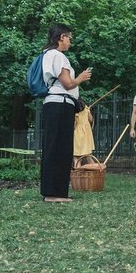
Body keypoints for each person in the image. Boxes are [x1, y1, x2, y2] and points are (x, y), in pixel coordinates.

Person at [39, 23, 91, 202]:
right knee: (60, 148)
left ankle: (51, 191)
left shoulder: (47, 54)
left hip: (55, 104)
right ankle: (55, 193)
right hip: (60, 104)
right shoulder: (58, 56)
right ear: (61, 37)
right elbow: (68, 84)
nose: (70, 41)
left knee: (54, 147)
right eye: (69, 37)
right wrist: (81, 78)